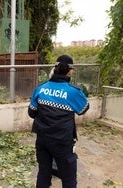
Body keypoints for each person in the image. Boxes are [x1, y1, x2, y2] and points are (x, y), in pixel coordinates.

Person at [28, 54, 89, 188]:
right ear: (70, 71)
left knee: (44, 173)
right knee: (68, 179)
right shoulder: (74, 92)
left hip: (42, 140)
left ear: (54, 69)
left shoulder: (40, 88)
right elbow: (83, 109)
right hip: (62, 142)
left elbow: (31, 113)